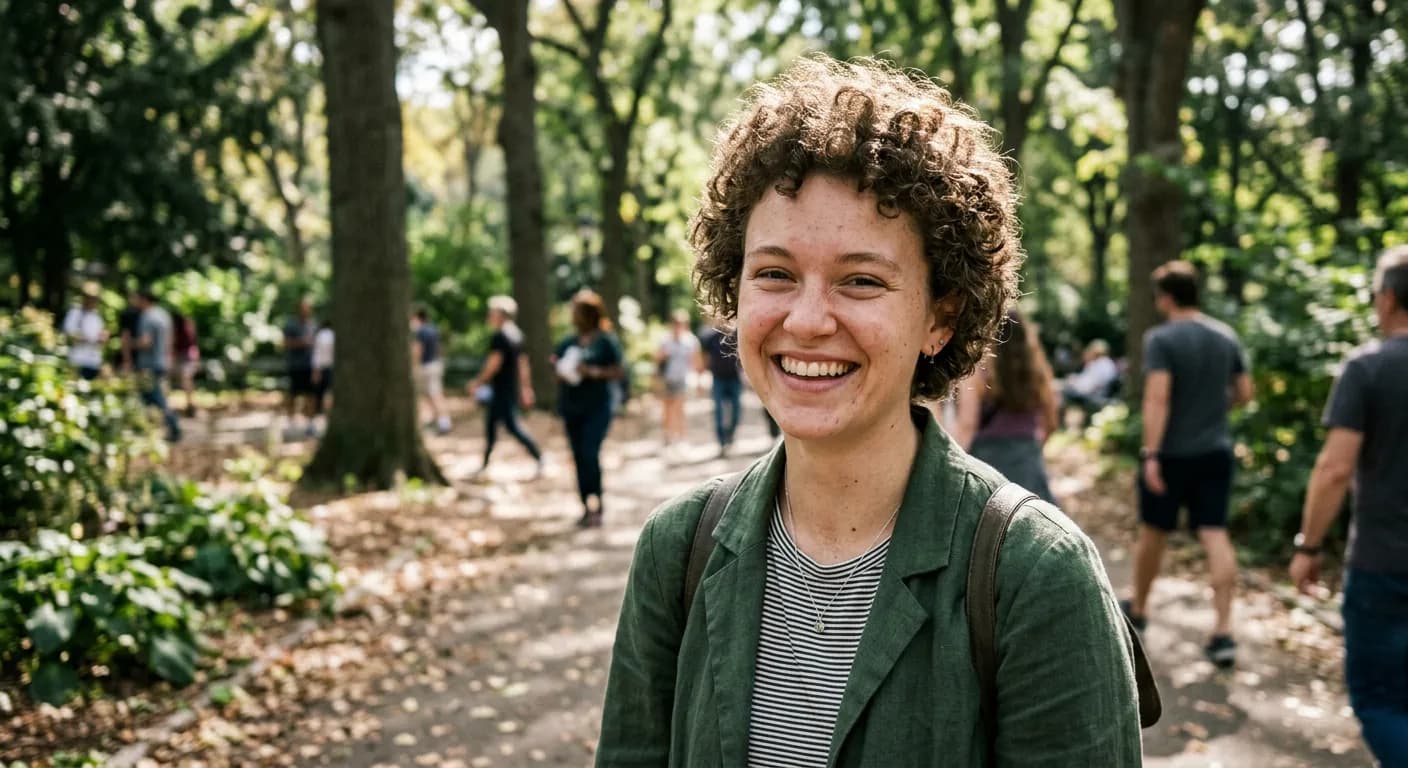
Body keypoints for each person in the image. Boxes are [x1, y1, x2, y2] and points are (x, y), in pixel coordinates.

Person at [596, 56, 1140, 766]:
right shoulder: (676, 552)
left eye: (860, 280)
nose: (809, 318)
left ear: (940, 317)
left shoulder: (1036, 576)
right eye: (774, 274)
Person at [1289, 246, 1408, 764]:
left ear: (1386, 299)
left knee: (1379, 700)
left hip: (1384, 564)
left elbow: (1335, 469)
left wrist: (1309, 545)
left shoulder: (1368, 368)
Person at [1124, 259, 1253, 669]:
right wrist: (1213, 413)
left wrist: (1151, 453)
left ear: (1165, 297)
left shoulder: (1162, 339)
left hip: (1173, 454)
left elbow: (1157, 397)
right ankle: (1223, 631)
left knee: (1154, 533)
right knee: (1215, 534)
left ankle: (1139, 611)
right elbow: (1245, 392)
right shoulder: (1225, 336)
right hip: (1216, 450)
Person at [953, 309, 1060, 503]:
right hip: (1028, 459)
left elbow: (967, 423)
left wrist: (954, 465)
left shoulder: (978, 371)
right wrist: (1031, 448)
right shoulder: (1038, 371)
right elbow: (1051, 420)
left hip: (987, 463)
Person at [553, 289, 624, 528]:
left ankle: (599, 502)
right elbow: (556, 366)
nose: (572, 315)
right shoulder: (567, 341)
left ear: (588, 314)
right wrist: (561, 370)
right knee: (577, 456)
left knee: (590, 452)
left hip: (597, 407)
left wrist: (591, 372)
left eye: (576, 311)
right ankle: (585, 506)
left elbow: (618, 371)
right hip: (571, 407)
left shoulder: (605, 340)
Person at [465, 295, 543, 478]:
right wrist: (525, 387)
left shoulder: (501, 336)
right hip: (509, 388)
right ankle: (485, 464)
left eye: (492, 312)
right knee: (492, 425)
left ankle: (539, 457)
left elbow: (494, 363)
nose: (489, 316)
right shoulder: (516, 334)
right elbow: (523, 364)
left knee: (511, 426)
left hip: (501, 389)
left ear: (501, 315)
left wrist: (477, 382)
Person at [132, 287, 182, 442]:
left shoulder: (147, 316)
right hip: (162, 361)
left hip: (148, 364)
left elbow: (146, 342)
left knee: (155, 397)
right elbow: (170, 340)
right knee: (148, 397)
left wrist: (128, 345)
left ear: (144, 299)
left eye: (136, 298)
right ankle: (148, 431)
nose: (134, 302)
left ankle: (173, 427)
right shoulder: (163, 315)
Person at [655, 309, 701, 449]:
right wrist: (663, 355)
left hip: (683, 379)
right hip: (667, 378)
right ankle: (668, 435)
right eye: (675, 323)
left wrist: (698, 380)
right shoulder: (665, 340)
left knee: (680, 408)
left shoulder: (691, 340)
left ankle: (681, 437)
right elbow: (656, 359)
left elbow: (695, 361)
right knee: (667, 408)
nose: (678, 326)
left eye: (680, 323)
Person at [699, 319, 743, 455]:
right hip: (717, 379)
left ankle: (730, 435)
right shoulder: (710, 337)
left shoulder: (737, 335)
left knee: (736, 410)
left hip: (734, 379)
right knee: (718, 411)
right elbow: (705, 358)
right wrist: (701, 378)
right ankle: (722, 442)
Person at [412, 307, 451, 435]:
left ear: (417, 318)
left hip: (427, 367)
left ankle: (444, 423)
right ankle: (438, 422)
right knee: (432, 395)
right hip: (436, 364)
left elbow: (418, 350)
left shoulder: (421, 331)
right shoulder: (434, 329)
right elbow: (439, 348)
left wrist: (415, 366)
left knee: (434, 395)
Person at [283, 298, 318, 436]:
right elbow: (286, 343)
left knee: (311, 396)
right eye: (303, 308)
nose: (306, 311)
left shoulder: (313, 324)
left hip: (310, 366)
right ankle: (291, 424)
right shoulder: (291, 325)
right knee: (293, 395)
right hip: (295, 366)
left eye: (308, 308)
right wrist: (302, 342)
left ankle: (310, 424)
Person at [1062, 338, 1120, 411]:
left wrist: (1073, 382)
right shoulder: (1101, 363)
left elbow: (1089, 387)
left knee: (1064, 391)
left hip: (1095, 395)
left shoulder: (1101, 364)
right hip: (1093, 391)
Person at [62, 286, 107, 380]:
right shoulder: (75, 313)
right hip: (77, 360)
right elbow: (69, 334)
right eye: (91, 299)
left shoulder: (97, 317)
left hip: (93, 362)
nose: (94, 302)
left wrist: (102, 339)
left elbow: (100, 337)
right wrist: (84, 338)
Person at [172, 311, 199, 416]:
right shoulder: (189, 325)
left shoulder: (178, 329)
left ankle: (190, 405)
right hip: (190, 355)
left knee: (186, 380)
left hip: (184, 356)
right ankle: (190, 404)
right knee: (187, 380)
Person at [310, 318, 334, 426]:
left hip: (321, 367)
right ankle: (326, 416)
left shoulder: (321, 335)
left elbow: (317, 354)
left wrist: (315, 370)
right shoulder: (332, 335)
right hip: (329, 367)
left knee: (320, 394)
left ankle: (317, 417)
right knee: (327, 393)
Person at [117, 289, 142, 374]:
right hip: (133, 352)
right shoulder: (128, 314)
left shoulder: (144, 313)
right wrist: (127, 360)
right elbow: (125, 336)